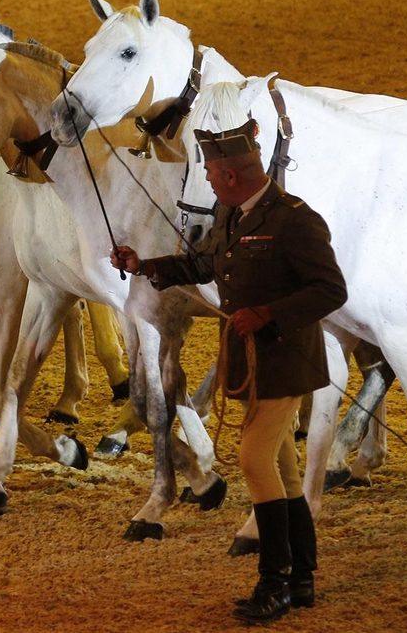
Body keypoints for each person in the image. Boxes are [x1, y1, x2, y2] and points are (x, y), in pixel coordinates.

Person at [110, 118, 346, 624]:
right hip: (249, 360)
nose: (208, 182)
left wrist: (267, 314)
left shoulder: (296, 220)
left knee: (254, 461)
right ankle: (301, 578)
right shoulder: (231, 214)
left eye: (212, 175)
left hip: (285, 362)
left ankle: (274, 583)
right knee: (282, 471)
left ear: (231, 175)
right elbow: (205, 265)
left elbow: (331, 290)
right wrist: (145, 265)